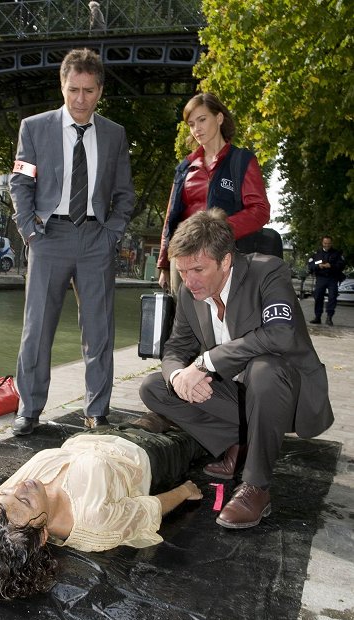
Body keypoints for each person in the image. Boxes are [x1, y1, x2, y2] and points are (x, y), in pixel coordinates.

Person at [139, 208, 334, 530]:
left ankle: (256, 486)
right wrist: (177, 375)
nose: (189, 281)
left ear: (226, 261)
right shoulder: (190, 293)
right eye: (183, 271)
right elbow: (174, 349)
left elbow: (280, 334)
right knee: (155, 388)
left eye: (198, 269)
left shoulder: (268, 272)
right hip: (236, 397)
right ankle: (238, 439)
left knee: (264, 370)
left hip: (285, 395)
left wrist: (205, 363)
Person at [9, 48, 135, 436]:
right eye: (73, 89)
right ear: (61, 86)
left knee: (99, 331)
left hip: (96, 237)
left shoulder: (114, 135)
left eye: (89, 91)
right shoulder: (34, 127)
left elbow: (125, 193)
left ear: (100, 91)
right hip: (49, 236)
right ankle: (28, 410)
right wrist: (30, 231)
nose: (80, 99)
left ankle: (97, 412)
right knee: (37, 328)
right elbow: (20, 183)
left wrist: (112, 233)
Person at [0, 428, 203, 601]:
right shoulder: (95, 522)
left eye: (4, 495)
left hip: (89, 438)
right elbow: (148, 511)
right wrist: (184, 491)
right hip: (148, 454)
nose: (19, 487)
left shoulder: (0, 507)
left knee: (157, 409)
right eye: (24, 499)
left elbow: (5, 501)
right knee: (197, 427)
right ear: (41, 536)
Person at [157, 93, 270, 296]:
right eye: (191, 124)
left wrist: (216, 232)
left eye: (202, 120)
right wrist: (164, 263)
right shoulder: (185, 167)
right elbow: (170, 219)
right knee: (184, 323)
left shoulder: (242, 161)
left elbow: (260, 211)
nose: (196, 128)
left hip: (221, 256)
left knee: (221, 322)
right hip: (182, 257)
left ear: (219, 118)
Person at [307, 235, 346, 326]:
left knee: (332, 297)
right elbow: (310, 265)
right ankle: (317, 317)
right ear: (322, 243)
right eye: (325, 243)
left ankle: (329, 317)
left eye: (328, 243)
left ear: (331, 243)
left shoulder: (337, 254)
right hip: (321, 278)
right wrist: (318, 266)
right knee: (318, 297)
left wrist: (331, 266)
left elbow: (342, 265)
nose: (327, 245)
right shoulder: (316, 254)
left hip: (332, 278)